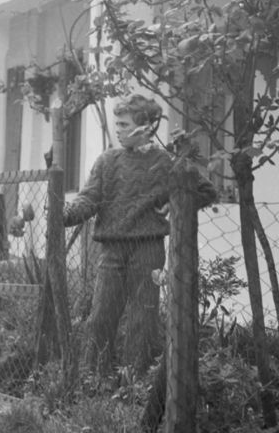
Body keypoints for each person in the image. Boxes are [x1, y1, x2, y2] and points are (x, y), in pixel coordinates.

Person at [62, 94, 217, 375]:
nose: (118, 130)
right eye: (117, 124)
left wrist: (176, 203)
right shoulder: (107, 161)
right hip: (111, 250)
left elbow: (206, 190)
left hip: (148, 248)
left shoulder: (164, 161)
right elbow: (88, 199)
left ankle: (134, 379)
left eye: (124, 124)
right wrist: (63, 215)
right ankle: (94, 377)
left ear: (144, 127)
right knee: (101, 315)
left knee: (142, 318)